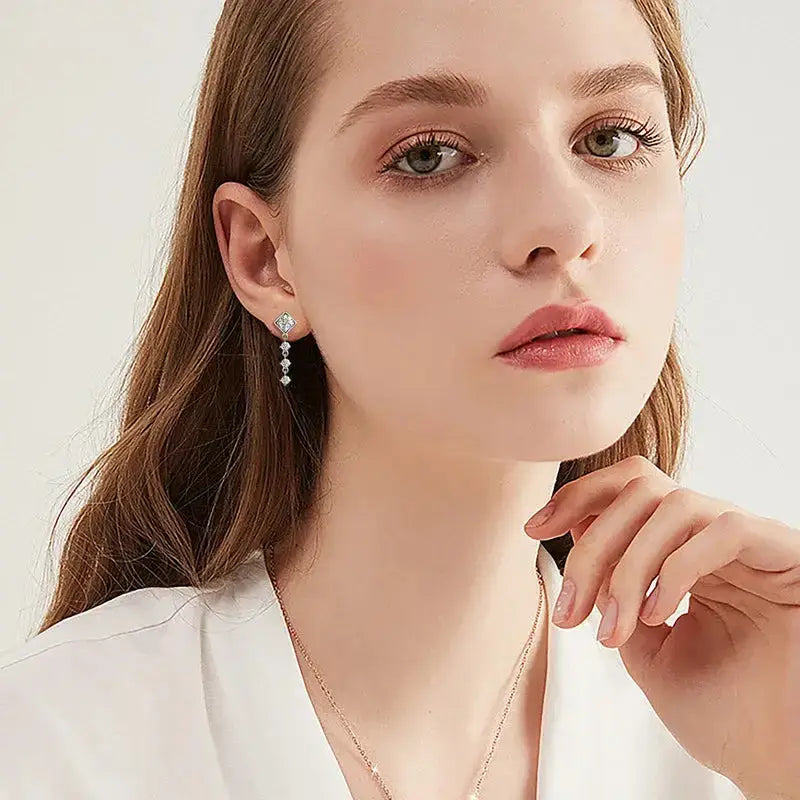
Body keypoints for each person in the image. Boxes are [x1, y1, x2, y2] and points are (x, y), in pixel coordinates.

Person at [0, 0, 781, 797]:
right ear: (266, 256)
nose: (567, 222)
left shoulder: (733, 736)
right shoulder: (53, 749)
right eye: (430, 157)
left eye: (611, 138)